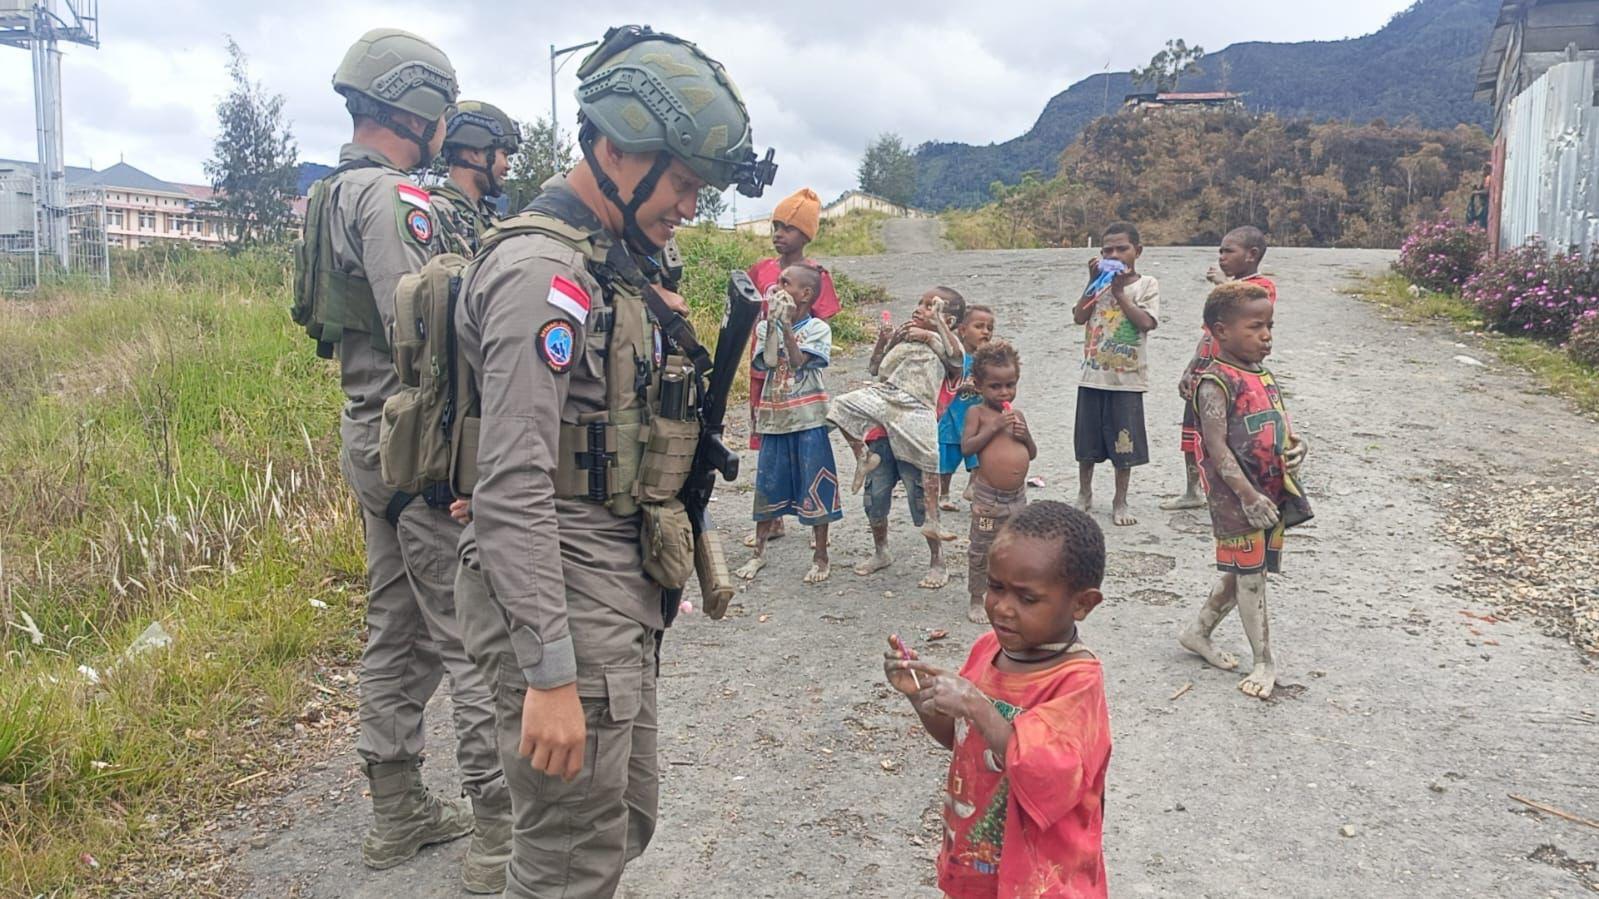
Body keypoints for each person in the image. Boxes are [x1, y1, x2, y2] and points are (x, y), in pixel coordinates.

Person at [448, 25, 775, 898]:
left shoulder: (611, 263)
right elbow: (510, 485)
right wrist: (549, 674)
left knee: (616, 824)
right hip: (558, 582)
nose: (688, 205)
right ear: (617, 148)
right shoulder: (539, 275)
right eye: (680, 182)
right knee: (566, 858)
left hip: (608, 582)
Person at [295, 28, 509, 892]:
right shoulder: (393, 202)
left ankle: (396, 808)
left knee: (398, 624)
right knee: (471, 629)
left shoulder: (328, 193)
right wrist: (464, 458)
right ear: (418, 106)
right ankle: (499, 829)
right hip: (418, 438)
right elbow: (423, 329)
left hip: (369, 431)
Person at [884, 501, 1112, 899]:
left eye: (1027, 598)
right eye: (996, 587)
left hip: (1044, 878)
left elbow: (1048, 775)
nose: (1003, 608)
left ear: (1081, 604)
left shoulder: (1077, 683)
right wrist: (921, 696)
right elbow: (963, 739)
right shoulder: (988, 649)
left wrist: (975, 704)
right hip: (978, 859)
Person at [1177, 281, 1312, 700]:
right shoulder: (1215, 382)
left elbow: (1280, 423)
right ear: (1221, 331)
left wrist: (1297, 447)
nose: (1266, 335)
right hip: (1238, 499)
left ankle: (1198, 632)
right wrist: (1247, 495)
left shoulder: (1262, 374)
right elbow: (1215, 447)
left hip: (1270, 491)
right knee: (1252, 579)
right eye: (1255, 327)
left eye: (1270, 326)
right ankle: (1265, 661)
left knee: (1243, 570)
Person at [831, 287, 963, 588]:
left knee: (920, 493)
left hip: (914, 423)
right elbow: (877, 368)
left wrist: (934, 330)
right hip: (881, 431)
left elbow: (956, 360)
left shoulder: (945, 348)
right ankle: (881, 550)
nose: (920, 308)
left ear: (949, 320)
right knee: (875, 496)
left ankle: (937, 559)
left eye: (931, 306)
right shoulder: (904, 342)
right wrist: (887, 339)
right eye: (920, 302)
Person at [735, 263, 842, 584]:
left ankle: (821, 556)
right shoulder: (767, 326)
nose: (778, 286)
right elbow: (767, 362)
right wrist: (774, 325)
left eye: (786, 282)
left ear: (805, 294)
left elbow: (797, 362)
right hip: (775, 419)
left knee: (817, 485)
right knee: (768, 486)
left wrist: (783, 327)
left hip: (809, 421)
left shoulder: (819, 329)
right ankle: (759, 554)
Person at [1164, 226, 1276, 511]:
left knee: (1233, 435)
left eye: (1229, 251)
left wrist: (1223, 284)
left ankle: (1239, 490)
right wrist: (1191, 368)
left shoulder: (1261, 288)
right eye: (1221, 251)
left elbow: (1246, 310)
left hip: (1237, 372)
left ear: (1251, 255)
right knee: (1193, 431)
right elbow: (1209, 334)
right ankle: (1193, 489)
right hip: (1207, 368)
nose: (1222, 257)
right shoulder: (1225, 292)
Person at [1072, 222, 1159, 527]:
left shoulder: (1146, 284)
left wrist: (1120, 293)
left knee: (1125, 444)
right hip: (1093, 377)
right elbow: (1079, 316)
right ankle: (1085, 493)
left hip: (1128, 381)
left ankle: (1120, 499)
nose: (1115, 254)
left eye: (1122, 248)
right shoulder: (1099, 284)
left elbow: (1146, 323)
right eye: (1107, 250)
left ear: (1138, 250)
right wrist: (1092, 282)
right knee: (1087, 443)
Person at [747, 188, 841, 452]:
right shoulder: (760, 270)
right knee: (766, 429)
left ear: (806, 235)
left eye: (788, 228)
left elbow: (823, 324)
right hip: (762, 366)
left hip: (797, 372)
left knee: (798, 431)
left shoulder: (815, 276)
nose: (779, 234)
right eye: (776, 226)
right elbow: (744, 313)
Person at [960, 341, 1036, 625]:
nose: (1004, 392)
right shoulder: (977, 415)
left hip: (1017, 498)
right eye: (995, 386)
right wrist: (992, 428)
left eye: (1010, 385)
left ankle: (1010, 594)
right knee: (982, 548)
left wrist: (1024, 435)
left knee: (1014, 547)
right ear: (979, 385)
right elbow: (967, 448)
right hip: (988, 501)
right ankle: (977, 597)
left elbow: (1032, 452)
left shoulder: (1018, 416)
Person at [432, 101, 520, 256]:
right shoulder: (435, 213)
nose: (508, 166)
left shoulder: (489, 218)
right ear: (475, 152)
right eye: (504, 154)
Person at [938, 304, 995, 512]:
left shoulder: (989, 358)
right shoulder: (955, 356)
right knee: (947, 456)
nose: (985, 332)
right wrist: (961, 386)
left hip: (977, 415)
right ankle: (943, 493)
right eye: (979, 326)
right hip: (951, 415)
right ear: (962, 330)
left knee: (979, 453)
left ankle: (973, 487)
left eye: (990, 328)